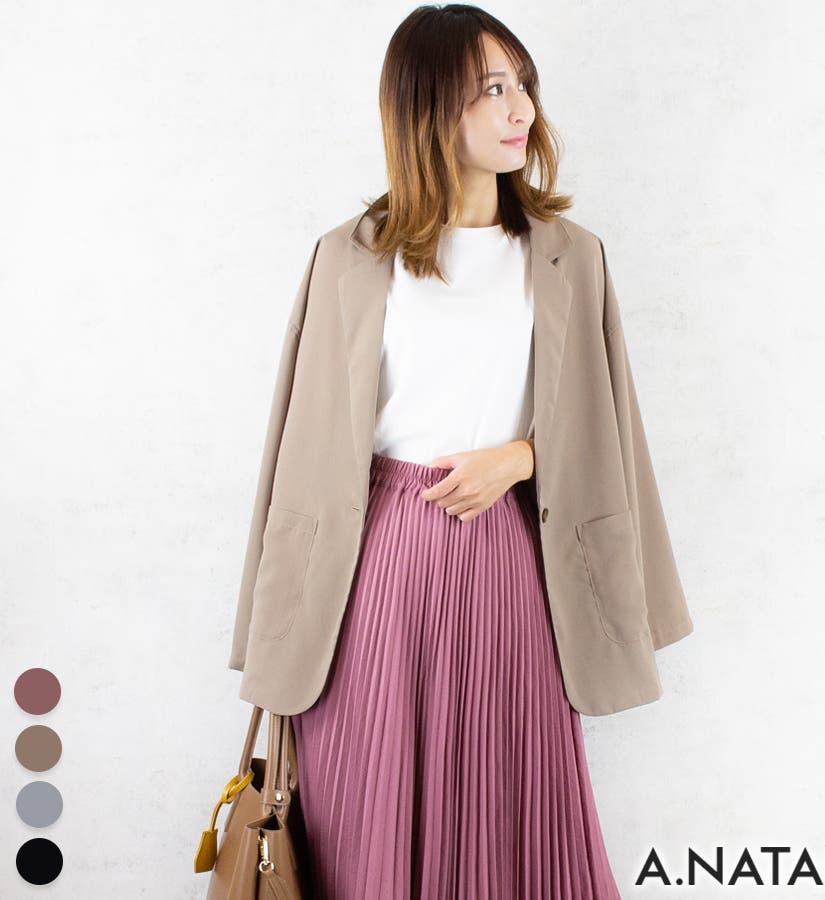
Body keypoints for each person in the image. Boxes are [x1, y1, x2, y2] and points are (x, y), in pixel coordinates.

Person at [231, 4, 693, 897]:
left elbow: (610, 429)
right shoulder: (348, 259)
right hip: (372, 571)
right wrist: (273, 621)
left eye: (523, 85)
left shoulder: (570, 257)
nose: (521, 108)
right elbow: (297, 451)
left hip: (512, 559)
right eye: (492, 89)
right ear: (427, 106)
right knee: (364, 811)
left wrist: (522, 457)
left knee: (514, 807)